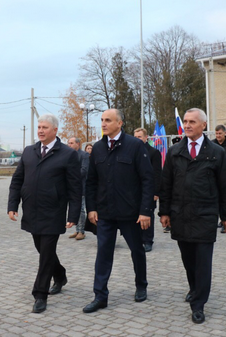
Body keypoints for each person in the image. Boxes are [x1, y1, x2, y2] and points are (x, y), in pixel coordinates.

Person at [159, 108, 226, 324]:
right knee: (188, 259)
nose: (188, 125)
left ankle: (199, 303)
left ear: (203, 125)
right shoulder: (175, 151)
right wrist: (164, 212)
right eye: (185, 121)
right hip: (180, 215)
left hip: (205, 214)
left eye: (192, 121)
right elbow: (166, 185)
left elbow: (225, 187)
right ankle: (194, 288)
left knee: (203, 261)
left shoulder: (215, 153)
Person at [8, 114, 82, 314]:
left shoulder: (67, 154)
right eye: (39, 127)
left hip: (54, 212)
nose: (40, 130)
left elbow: (75, 188)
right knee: (42, 249)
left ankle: (40, 294)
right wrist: (12, 204)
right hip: (31, 210)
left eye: (45, 127)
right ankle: (60, 274)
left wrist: (73, 216)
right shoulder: (29, 152)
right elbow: (17, 180)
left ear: (55, 130)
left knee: (46, 253)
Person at [83, 109, 154, 314]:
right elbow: (91, 181)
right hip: (105, 213)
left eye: (108, 120)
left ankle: (141, 285)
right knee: (103, 254)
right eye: (102, 120)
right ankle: (100, 296)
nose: (103, 124)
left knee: (137, 251)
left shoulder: (134, 145)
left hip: (130, 213)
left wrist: (145, 211)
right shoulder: (97, 148)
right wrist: (92, 208)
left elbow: (147, 179)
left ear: (120, 123)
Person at [133, 127, 163, 252]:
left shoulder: (154, 153)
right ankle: (137, 239)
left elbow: (157, 174)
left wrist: (156, 192)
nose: (137, 139)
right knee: (135, 215)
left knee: (148, 215)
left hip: (148, 191)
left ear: (146, 138)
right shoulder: (130, 151)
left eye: (139, 137)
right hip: (134, 191)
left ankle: (148, 240)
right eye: (135, 137)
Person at [67, 137, 90, 241]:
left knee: (81, 209)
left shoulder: (84, 155)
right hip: (71, 187)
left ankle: (81, 231)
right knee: (74, 208)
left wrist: (71, 176)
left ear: (78, 144)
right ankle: (77, 229)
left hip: (81, 186)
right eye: (68, 143)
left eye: (71, 143)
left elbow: (84, 170)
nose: (69, 145)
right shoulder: (68, 155)